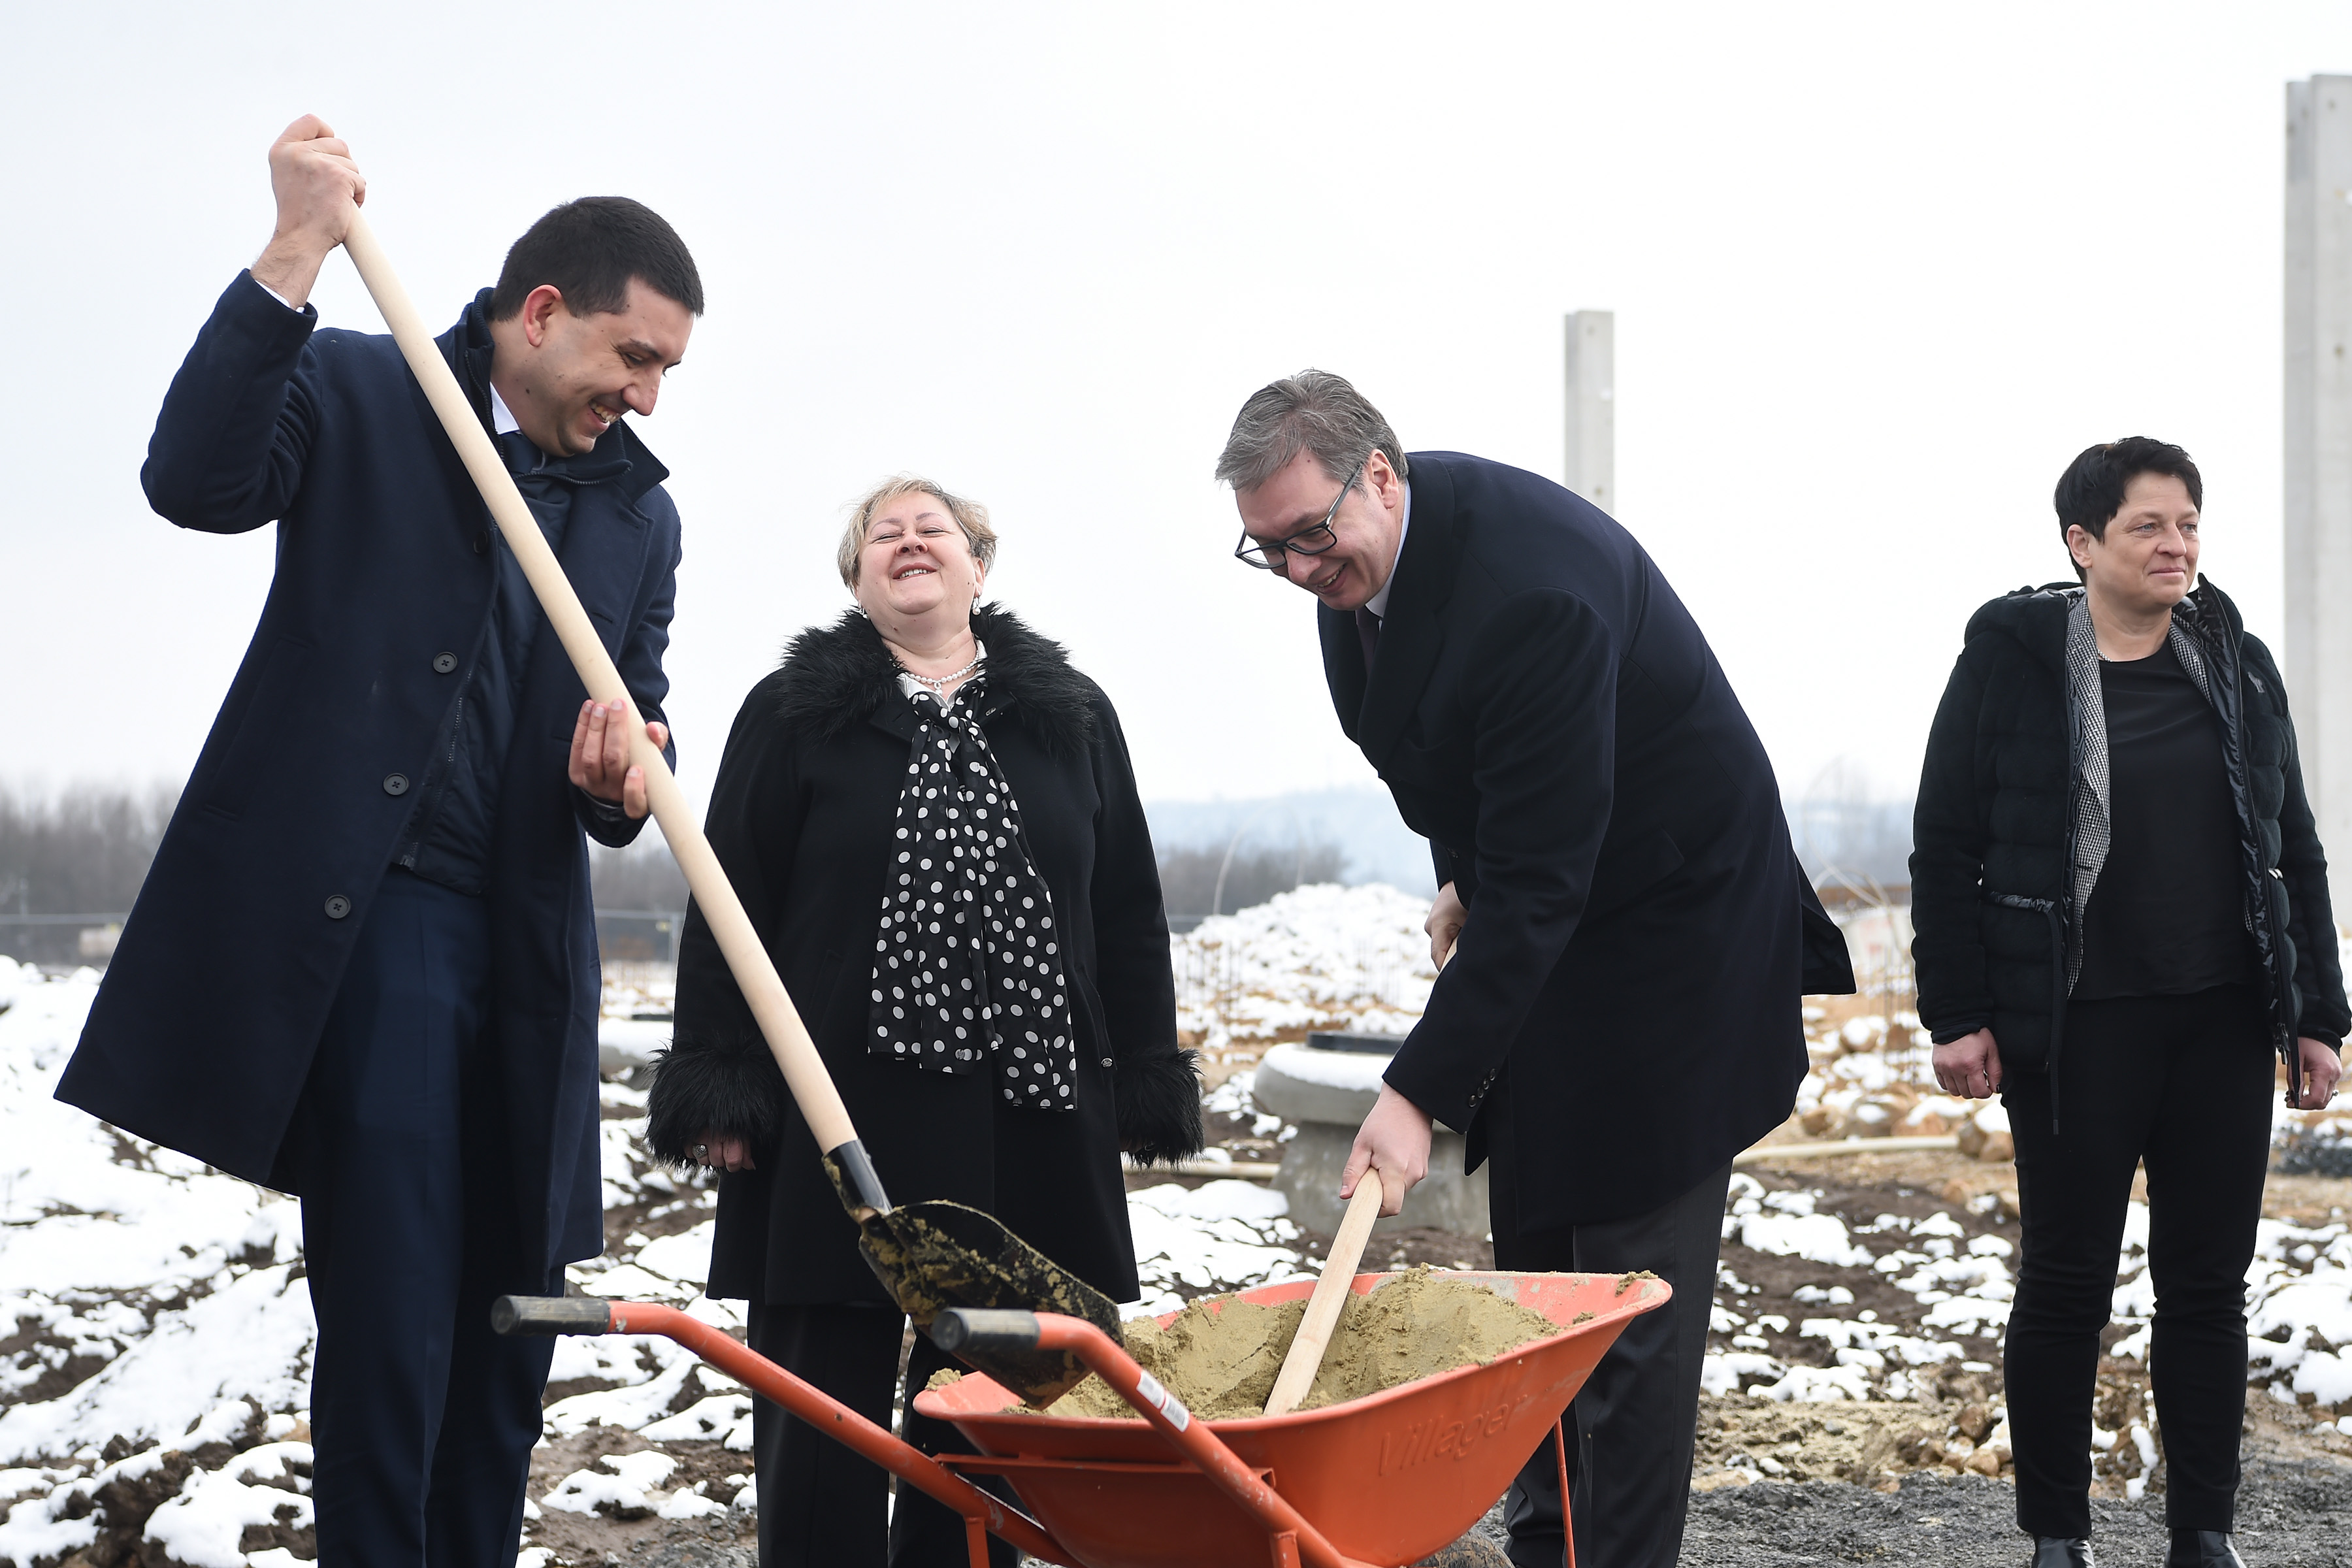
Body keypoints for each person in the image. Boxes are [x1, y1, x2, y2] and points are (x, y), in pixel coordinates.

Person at [54, 116, 701, 1566]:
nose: (647, 397)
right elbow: (193, 482)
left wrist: (624, 771)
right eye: (633, 358)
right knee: (399, 1293)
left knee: (516, 1297)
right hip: (382, 917)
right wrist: (293, 250)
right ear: (541, 315)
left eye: (666, 372)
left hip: (531, 943)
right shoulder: (364, 388)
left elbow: (635, 729)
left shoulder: (639, 524)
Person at [1217, 370, 1854, 1568]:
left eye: (1312, 536)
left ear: (1382, 477)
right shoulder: (1358, 573)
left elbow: (1549, 878)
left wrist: (1416, 1097)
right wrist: (1468, 867)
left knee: (1624, 1302)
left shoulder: (1533, 593)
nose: (1302, 572)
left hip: (1674, 937)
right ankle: (1547, 1544)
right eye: (1270, 551)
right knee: (1538, 1278)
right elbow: (1451, 765)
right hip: (1562, 911)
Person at [642, 475, 1202, 1568]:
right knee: (820, 1389)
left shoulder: (1072, 715)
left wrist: (1141, 1069)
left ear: (978, 566)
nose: (907, 542)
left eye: (930, 528)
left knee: (989, 1397)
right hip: (836, 1099)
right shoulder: (793, 711)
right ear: (856, 580)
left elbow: (1128, 904)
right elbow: (728, 894)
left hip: (1026, 1107)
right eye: (880, 535)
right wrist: (719, 1076)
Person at [1913, 438, 2348, 1568]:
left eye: (2190, 523)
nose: (2178, 545)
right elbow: (1944, 848)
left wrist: (2318, 1015)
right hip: (2075, 1027)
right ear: (2083, 543)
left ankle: (2203, 1531)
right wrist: (1955, 1014)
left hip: (2217, 1023)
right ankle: (2059, 1535)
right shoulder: (2010, 665)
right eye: (2151, 525)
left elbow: (2292, 848)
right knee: (2066, 1284)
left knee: (2207, 1286)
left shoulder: (2235, 663)